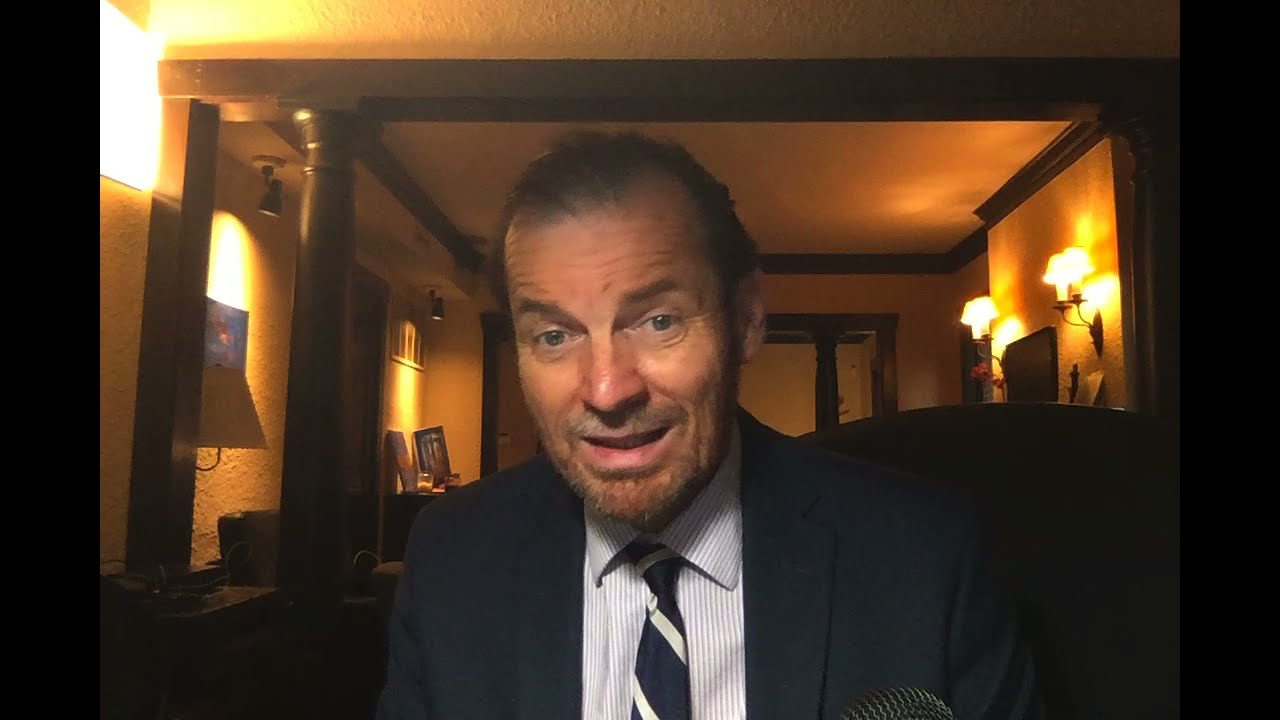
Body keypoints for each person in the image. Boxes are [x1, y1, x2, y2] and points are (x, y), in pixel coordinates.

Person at [377, 131, 1043, 719]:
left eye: (659, 321)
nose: (607, 390)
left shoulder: (927, 556)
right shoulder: (453, 561)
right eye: (554, 335)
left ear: (746, 319)